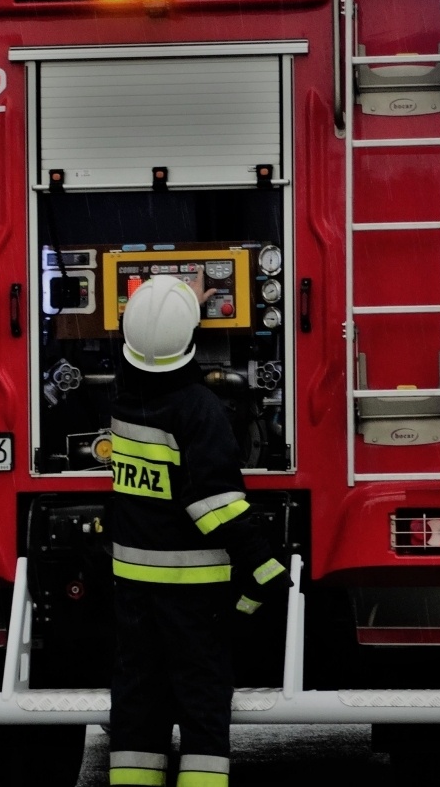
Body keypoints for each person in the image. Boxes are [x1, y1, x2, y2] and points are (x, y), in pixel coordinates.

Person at [107, 275, 289, 787]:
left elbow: (148, 346)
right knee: (203, 706)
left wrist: (178, 304)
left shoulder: (124, 399)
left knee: (137, 707)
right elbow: (214, 506)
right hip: (192, 595)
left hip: (133, 589)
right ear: (189, 340)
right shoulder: (199, 410)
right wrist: (263, 565)